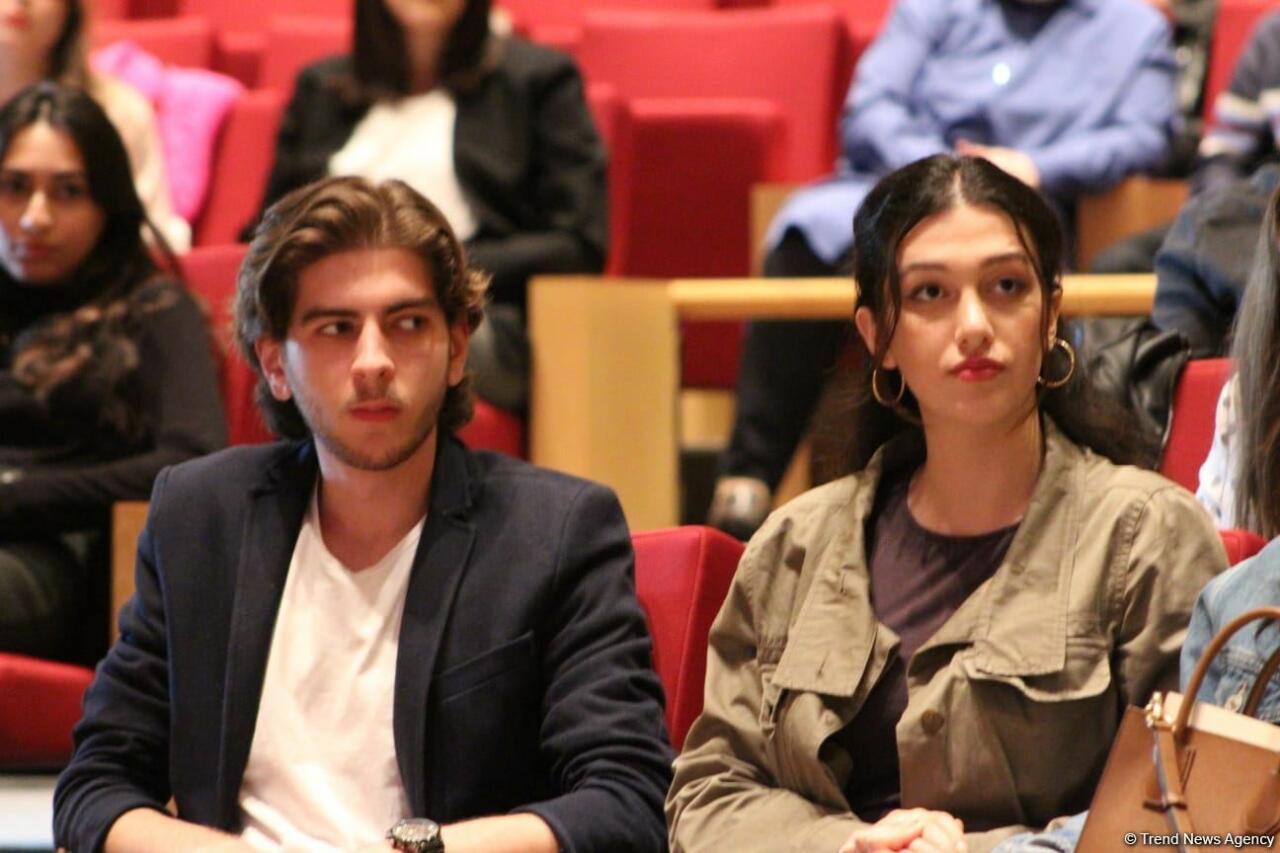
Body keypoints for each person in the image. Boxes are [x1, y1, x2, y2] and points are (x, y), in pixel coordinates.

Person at [53, 176, 671, 852]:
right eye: (336, 329)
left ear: (457, 348)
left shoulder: (555, 531)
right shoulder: (200, 518)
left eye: (407, 324)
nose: (373, 361)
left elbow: (626, 799)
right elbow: (96, 786)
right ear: (275, 364)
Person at [667, 155, 1226, 853]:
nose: (973, 324)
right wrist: (848, 844)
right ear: (877, 336)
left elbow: (1196, 812)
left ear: (1051, 314)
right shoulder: (794, 544)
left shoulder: (1149, 537)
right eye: (930, 293)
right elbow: (710, 791)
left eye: (1006, 286)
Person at [709, 0, 1177, 540]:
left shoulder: (1132, 27)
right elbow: (870, 107)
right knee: (805, 233)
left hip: (1027, 201)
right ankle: (747, 478)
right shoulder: (932, 8)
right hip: (898, 188)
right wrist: (943, 176)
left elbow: (1145, 136)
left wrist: (1030, 169)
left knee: (1001, 256)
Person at [251, 0, 606, 412]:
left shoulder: (538, 80)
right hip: (331, 306)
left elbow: (578, 243)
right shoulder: (320, 87)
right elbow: (270, 231)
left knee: (386, 333)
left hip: (476, 313)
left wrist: (431, 269)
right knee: (259, 327)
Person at [0, 82, 223, 662]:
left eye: (68, 192)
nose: (35, 218)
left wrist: (18, 498)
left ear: (108, 203)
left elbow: (193, 456)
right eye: (14, 187)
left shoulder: (154, 309)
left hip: (57, 553)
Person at [0, 0, 189, 250]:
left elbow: (149, 236)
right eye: (15, 187)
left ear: (70, 8)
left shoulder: (121, 111)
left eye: (69, 191)